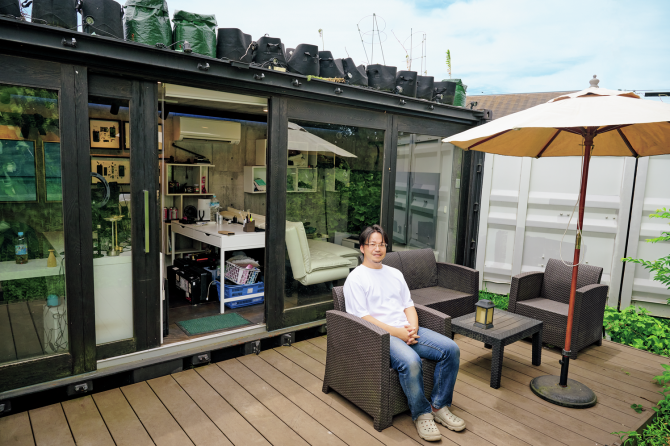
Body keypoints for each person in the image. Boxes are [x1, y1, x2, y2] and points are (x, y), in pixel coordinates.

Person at [343, 224, 465, 441]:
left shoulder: (395, 274)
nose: (378, 249)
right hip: (379, 336)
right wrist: (398, 333)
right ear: (362, 248)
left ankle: (439, 406)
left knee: (450, 349)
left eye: (382, 244)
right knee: (411, 360)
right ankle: (421, 414)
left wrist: (413, 328)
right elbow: (363, 318)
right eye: (372, 244)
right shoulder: (356, 278)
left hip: (406, 330)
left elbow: (409, 305)